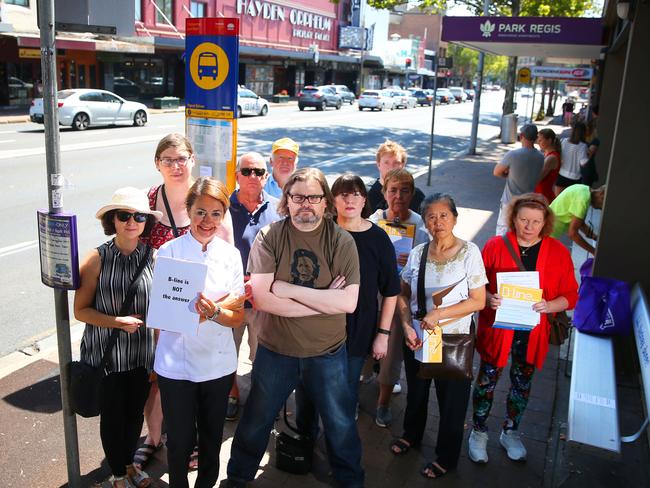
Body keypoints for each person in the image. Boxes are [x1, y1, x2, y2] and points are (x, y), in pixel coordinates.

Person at [226, 168, 364, 488]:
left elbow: (349, 303)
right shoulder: (270, 236)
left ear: (325, 202)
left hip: (327, 353)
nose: (305, 203)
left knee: (340, 426)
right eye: (297, 196)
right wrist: (324, 299)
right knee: (256, 421)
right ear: (286, 200)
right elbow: (261, 298)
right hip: (276, 351)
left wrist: (287, 290)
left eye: (313, 197)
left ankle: (351, 482)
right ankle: (237, 477)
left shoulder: (341, 240)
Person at [135, 133, 233, 471]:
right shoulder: (149, 200)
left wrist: (215, 308)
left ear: (192, 159)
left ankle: (189, 445)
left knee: (199, 401)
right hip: (160, 306)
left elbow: (228, 268)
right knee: (159, 382)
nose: (176, 166)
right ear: (157, 164)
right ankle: (154, 438)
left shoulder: (209, 199)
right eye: (168, 160)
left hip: (205, 316)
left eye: (181, 158)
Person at [468, 193, 578, 464]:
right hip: (498, 329)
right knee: (487, 380)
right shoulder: (495, 246)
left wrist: (550, 305)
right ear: (513, 219)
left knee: (521, 383)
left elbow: (571, 294)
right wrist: (489, 297)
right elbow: (476, 285)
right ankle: (478, 433)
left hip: (532, 332)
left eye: (536, 221)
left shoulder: (558, 252)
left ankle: (510, 432)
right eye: (524, 220)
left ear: (545, 222)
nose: (529, 226)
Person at [153, 177, 245, 488]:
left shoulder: (230, 255)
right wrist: (210, 311)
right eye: (200, 212)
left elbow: (237, 316)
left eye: (216, 213)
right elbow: (164, 317)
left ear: (224, 215)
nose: (208, 221)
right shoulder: (169, 252)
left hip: (217, 365)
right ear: (188, 211)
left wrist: (214, 311)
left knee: (211, 439)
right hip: (174, 365)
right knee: (179, 442)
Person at [295, 173, 401, 438]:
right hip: (317, 324)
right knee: (308, 387)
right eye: (343, 194)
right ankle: (305, 438)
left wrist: (383, 335)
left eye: (356, 194)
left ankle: (338, 441)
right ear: (333, 201)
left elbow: (391, 291)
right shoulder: (320, 231)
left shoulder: (378, 239)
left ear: (365, 200)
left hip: (358, 328)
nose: (350, 200)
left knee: (345, 388)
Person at [394, 193, 487, 480]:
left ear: (455, 218)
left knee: (452, 401)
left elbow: (478, 301)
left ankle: (446, 456)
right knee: (417, 392)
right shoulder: (419, 253)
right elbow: (402, 293)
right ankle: (412, 435)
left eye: (444, 215)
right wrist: (407, 324)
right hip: (421, 337)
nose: (438, 222)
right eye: (431, 217)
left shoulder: (470, 253)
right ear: (425, 222)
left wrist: (438, 315)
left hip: (454, 339)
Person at [74, 187, 162, 488]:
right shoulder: (96, 259)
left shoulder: (154, 257)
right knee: (112, 417)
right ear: (113, 220)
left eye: (138, 216)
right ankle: (117, 472)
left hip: (140, 354)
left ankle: (129, 467)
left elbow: (164, 306)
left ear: (146, 221)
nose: (131, 222)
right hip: (107, 355)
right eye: (124, 216)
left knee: (134, 413)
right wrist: (115, 321)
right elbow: (81, 311)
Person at [368, 168, 430, 428]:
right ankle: (353, 394)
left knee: (392, 352)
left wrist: (413, 259)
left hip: (399, 297)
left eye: (405, 190)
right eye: (393, 190)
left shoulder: (419, 226)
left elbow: (426, 267)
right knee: (361, 347)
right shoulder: (373, 221)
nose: (399, 196)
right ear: (384, 192)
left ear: (412, 194)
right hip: (370, 296)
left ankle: (382, 403)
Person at [227, 152, 281, 420]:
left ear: (266, 177)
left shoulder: (278, 209)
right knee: (227, 353)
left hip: (264, 300)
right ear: (236, 175)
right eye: (246, 171)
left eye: (258, 172)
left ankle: (261, 400)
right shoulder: (223, 208)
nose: (253, 177)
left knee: (264, 356)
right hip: (232, 298)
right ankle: (233, 394)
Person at [493, 124, 544, 235]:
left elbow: (496, 172)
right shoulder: (541, 157)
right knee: (519, 232)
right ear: (535, 138)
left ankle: (499, 252)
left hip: (509, 200)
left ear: (521, 136)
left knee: (502, 230)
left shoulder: (513, 155)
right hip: (527, 202)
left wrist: (508, 175)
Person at [367, 139, 426, 212]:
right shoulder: (365, 194)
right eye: (386, 162)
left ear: (403, 165)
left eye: (396, 163)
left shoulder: (416, 195)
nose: (391, 168)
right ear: (378, 164)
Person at [550, 184, 606, 255]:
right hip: (546, 234)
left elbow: (580, 223)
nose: (601, 209)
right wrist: (594, 251)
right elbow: (573, 233)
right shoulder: (583, 200)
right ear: (601, 193)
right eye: (603, 204)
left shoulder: (583, 189)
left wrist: (595, 238)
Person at [555, 121, 589, 196]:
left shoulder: (563, 141)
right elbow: (583, 163)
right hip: (575, 178)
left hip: (561, 175)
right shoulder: (583, 146)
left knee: (557, 202)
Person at [534, 129, 561, 203]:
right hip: (540, 194)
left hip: (543, 196)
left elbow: (537, 178)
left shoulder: (551, 157)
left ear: (549, 140)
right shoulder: (546, 154)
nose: (538, 142)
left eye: (540, 140)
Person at [581, 120, 600, 187]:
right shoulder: (582, 139)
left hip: (587, 170)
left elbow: (588, 155)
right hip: (580, 170)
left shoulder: (594, 141)